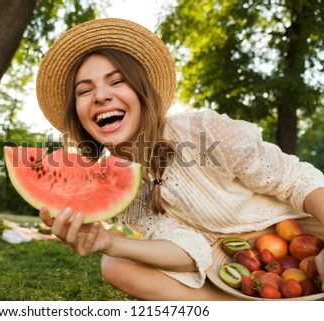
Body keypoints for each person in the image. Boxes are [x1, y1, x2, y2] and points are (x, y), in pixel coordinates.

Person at [35, 18, 324, 300]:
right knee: (115, 265)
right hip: (227, 270)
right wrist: (108, 242)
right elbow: (190, 249)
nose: (100, 96)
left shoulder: (203, 130)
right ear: (78, 115)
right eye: (84, 91)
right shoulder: (121, 192)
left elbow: (296, 180)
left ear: (141, 91)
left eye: (117, 81)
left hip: (299, 238)